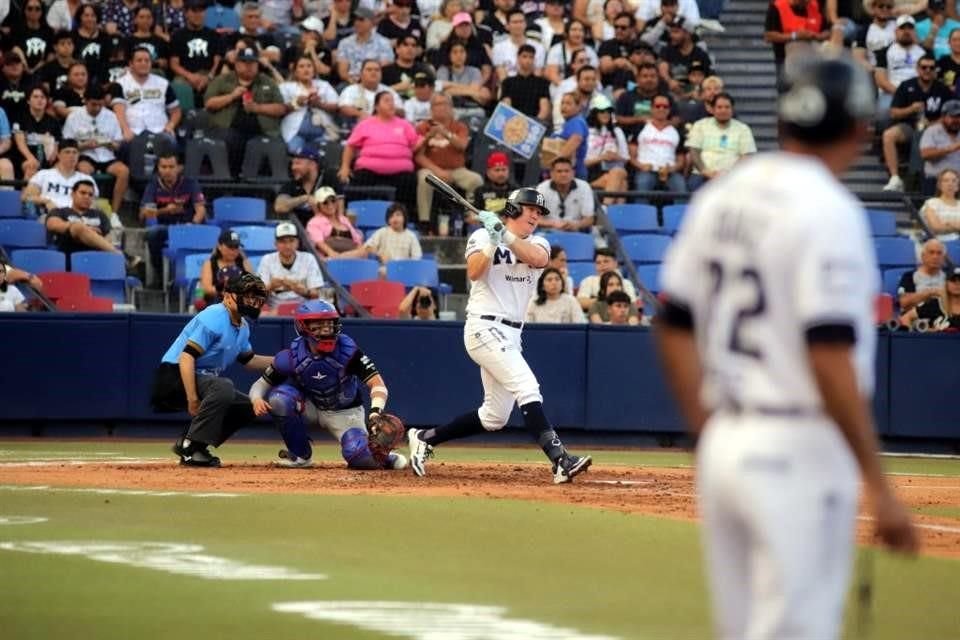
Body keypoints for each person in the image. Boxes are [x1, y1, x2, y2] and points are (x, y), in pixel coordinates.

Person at [655, 56, 917, 640]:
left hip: (726, 439)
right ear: (860, 129)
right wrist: (879, 484)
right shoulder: (830, 211)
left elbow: (672, 321)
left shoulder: (725, 194)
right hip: (798, 445)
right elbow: (826, 352)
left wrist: (707, 428)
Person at [406, 188, 594, 483]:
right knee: (527, 386)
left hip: (512, 333)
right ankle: (560, 460)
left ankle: (425, 437)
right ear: (514, 208)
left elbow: (537, 258)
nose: (535, 215)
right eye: (530, 208)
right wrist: (493, 240)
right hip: (483, 326)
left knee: (495, 416)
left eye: (539, 212)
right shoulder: (482, 237)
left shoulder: (539, 242)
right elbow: (474, 272)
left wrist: (504, 235)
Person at [249, 299, 407, 469]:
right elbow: (260, 385)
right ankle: (300, 456)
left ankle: (385, 457)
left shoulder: (349, 351)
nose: (326, 330)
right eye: (318, 325)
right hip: (311, 407)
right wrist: (256, 398)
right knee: (280, 399)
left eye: (329, 324)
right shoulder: (291, 357)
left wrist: (375, 411)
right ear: (303, 327)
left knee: (359, 458)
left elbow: (378, 384)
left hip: (345, 412)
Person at [152, 273, 272, 467]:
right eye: (246, 295)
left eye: (254, 296)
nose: (251, 300)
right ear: (227, 296)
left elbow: (249, 361)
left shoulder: (243, 326)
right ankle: (190, 446)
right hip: (174, 376)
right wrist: (192, 399)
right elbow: (186, 357)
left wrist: (287, 360)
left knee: (246, 406)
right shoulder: (215, 315)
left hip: (200, 378)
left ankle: (194, 444)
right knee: (224, 387)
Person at [204, 46, 286, 177]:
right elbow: (209, 104)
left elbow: (281, 108)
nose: (249, 66)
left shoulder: (268, 82)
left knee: (269, 144)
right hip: (227, 129)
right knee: (230, 140)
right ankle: (230, 180)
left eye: (252, 63)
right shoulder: (222, 80)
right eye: (244, 62)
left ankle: (259, 185)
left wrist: (256, 108)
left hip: (262, 131)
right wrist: (231, 96)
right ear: (236, 64)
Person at [338, 90, 421, 214]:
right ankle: (355, 216)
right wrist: (345, 167)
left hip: (400, 172)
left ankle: (406, 218)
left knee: (410, 181)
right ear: (376, 106)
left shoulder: (405, 125)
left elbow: (415, 145)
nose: (391, 104)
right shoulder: (365, 124)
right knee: (359, 179)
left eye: (392, 101)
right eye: (387, 101)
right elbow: (350, 146)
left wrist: (427, 138)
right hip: (369, 171)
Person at [882, 54, 953, 191]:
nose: (927, 70)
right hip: (908, 125)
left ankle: (920, 179)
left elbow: (950, 115)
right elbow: (894, 112)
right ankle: (895, 178)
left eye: (931, 68)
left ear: (935, 70)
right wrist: (911, 109)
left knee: (923, 133)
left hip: (936, 129)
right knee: (888, 135)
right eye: (924, 67)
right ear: (918, 69)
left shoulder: (942, 89)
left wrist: (933, 124)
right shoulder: (906, 85)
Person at [414, 94, 483, 228]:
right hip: (432, 170)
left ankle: (471, 218)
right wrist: (438, 171)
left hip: (457, 170)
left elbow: (462, 145)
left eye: (444, 104)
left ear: (451, 108)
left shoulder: (459, 126)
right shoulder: (423, 127)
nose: (441, 108)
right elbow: (418, 155)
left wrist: (445, 133)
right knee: (424, 178)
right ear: (431, 109)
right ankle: (425, 222)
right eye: (437, 105)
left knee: (476, 180)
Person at [140, 151, 207, 288]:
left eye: (171, 167)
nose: (167, 171)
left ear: (179, 168)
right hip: (166, 229)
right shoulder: (153, 185)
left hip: (188, 226)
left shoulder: (190, 183)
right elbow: (143, 213)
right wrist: (165, 210)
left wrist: (192, 224)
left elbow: (201, 209)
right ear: (158, 168)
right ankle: (160, 274)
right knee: (153, 233)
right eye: (163, 167)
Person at [44, 178, 140, 270]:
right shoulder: (60, 212)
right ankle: (121, 256)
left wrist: (90, 235)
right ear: (72, 194)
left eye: (90, 195)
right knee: (78, 227)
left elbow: (109, 238)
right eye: (83, 193)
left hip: (97, 259)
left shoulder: (100, 215)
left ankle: (119, 257)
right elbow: (52, 224)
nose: (87, 197)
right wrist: (84, 230)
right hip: (68, 256)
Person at [62, 85, 129, 216]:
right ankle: (88, 210)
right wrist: (84, 145)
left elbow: (118, 144)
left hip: (107, 155)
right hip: (86, 154)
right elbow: (67, 144)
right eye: (93, 105)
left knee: (124, 172)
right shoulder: (74, 116)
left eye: (100, 105)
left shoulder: (111, 116)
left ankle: (114, 213)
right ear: (85, 101)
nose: (97, 108)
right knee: (83, 169)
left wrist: (109, 143)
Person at [686, 92, 758, 191]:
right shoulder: (700, 125)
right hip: (702, 175)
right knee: (694, 185)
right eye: (719, 107)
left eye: (727, 107)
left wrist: (729, 174)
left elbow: (747, 155)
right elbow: (694, 151)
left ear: (732, 109)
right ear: (712, 109)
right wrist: (705, 171)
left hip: (732, 176)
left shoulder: (743, 129)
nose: (723, 110)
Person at [112, 46, 181, 145]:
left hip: (160, 131)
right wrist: (126, 130)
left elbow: (176, 111)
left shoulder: (163, 83)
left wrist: (170, 125)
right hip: (133, 133)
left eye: (147, 61)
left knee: (169, 145)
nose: (144, 63)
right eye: (139, 60)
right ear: (131, 64)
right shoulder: (120, 84)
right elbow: (119, 111)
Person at [629, 93, 687, 198]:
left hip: (669, 172)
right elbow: (631, 156)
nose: (661, 109)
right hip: (646, 170)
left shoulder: (677, 131)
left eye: (665, 107)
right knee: (643, 183)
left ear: (669, 110)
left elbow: (681, 160)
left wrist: (671, 169)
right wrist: (641, 166)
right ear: (651, 108)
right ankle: (642, 214)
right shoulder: (640, 128)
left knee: (680, 185)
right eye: (658, 106)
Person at [278, 54, 340, 154]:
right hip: (295, 133)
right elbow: (280, 109)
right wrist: (296, 103)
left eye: (309, 66)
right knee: (294, 151)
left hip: (323, 133)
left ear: (314, 70)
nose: (306, 69)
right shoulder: (286, 87)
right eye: (301, 66)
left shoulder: (324, 85)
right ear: (295, 71)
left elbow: (337, 107)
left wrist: (319, 104)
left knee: (324, 154)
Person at [257, 221, 325, 311]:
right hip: (275, 310)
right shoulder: (267, 260)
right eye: (283, 242)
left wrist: (303, 291)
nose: (288, 246)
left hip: (304, 309)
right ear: (275, 244)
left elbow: (317, 294)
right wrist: (271, 286)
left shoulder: (308, 258)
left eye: (291, 241)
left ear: (297, 242)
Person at [22, 138, 99, 216]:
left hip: (77, 218)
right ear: (58, 155)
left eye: (74, 152)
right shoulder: (44, 174)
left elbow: (93, 204)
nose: (71, 156)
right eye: (67, 152)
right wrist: (46, 201)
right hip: (49, 216)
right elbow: (26, 197)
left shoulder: (86, 179)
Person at [169, 0, 222, 108]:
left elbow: (217, 61)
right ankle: (185, 118)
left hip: (208, 74)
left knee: (221, 83)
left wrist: (209, 77)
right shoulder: (177, 35)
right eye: (194, 11)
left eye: (201, 11)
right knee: (179, 85)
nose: (198, 15)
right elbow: (174, 64)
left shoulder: (214, 35)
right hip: (185, 75)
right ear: (186, 13)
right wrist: (190, 76)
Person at [196, 230, 256, 310]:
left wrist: (244, 259)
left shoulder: (243, 263)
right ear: (220, 246)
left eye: (236, 247)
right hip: (215, 305)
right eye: (230, 247)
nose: (234, 251)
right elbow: (207, 288)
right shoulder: (210, 264)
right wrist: (225, 290)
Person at [584, 95, 629, 201]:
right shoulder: (586, 132)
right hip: (593, 172)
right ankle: (610, 211)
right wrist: (602, 158)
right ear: (595, 113)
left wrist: (616, 156)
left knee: (618, 174)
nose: (606, 114)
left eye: (608, 111)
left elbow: (626, 158)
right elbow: (582, 162)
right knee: (622, 183)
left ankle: (607, 209)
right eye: (602, 111)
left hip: (613, 169)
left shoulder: (617, 132)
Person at [12, 86, 61, 181]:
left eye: (43, 97)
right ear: (28, 101)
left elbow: (57, 143)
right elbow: (20, 143)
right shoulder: (20, 118)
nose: (40, 100)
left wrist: (54, 155)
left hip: (46, 157)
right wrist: (31, 158)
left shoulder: (53, 121)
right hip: (25, 156)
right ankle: (27, 195)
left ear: (47, 101)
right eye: (35, 97)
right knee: (31, 167)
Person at [536, 157, 597, 232]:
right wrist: (553, 224)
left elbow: (589, 219)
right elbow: (535, 218)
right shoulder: (542, 188)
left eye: (567, 171)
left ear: (573, 173)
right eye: (559, 171)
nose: (563, 174)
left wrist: (576, 225)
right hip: (548, 232)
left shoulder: (584, 186)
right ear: (551, 174)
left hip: (576, 232)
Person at [336, 7, 395, 83]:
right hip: (351, 82)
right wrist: (353, 81)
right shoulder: (344, 43)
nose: (357, 23)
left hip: (376, 82)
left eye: (361, 20)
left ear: (372, 22)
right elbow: (343, 72)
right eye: (355, 19)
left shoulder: (384, 43)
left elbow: (385, 68)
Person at [362, 202, 423, 273]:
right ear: (388, 220)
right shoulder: (382, 232)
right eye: (391, 216)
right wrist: (379, 254)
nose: (395, 218)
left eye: (398, 215)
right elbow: (367, 247)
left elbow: (417, 257)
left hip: (405, 270)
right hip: (385, 269)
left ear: (404, 217)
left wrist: (407, 266)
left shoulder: (411, 236)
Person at [306, 186, 365, 258]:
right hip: (329, 261)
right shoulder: (313, 223)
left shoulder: (344, 219)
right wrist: (333, 254)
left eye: (333, 200)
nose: (330, 205)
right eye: (325, 202)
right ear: (318, 205)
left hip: (352, 258)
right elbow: (319, 243)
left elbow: (358, 241)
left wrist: (358, 253)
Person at [498, 43, 551, 122]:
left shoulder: (542, 83)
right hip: (513, 123)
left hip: (535, 123)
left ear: (534, 60)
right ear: (518, 58)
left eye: (531, 57)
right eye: (524, 56)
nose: (528, 60)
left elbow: (544, 109)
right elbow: (506, 106)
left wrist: (533, 123)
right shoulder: (508, 82)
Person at [274, 147, 324, 227]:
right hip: (297, 234)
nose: (293, 168)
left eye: (298, 163)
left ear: (312, 165)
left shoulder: (327, 181)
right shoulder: (290, 185)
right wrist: (305, 198)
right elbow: (279, 207)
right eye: (292, 164)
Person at [918, 99, 960, 195]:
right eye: (952, 116)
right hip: (936, 182)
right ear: (943, 117)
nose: (956, 120)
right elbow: (925, 154)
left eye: (959, 117)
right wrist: (950, 148)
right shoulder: (932, 131)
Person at [899, 264, 960, 330]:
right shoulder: (935, 304)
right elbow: (905, 318)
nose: (957, 284)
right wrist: (913, 337)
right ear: (946, 283)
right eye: (953, 280)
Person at [897, 238, 947, 311]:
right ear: (923, 256)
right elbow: (903, 302)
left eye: (939, 253)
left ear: (943, 258)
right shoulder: (909, 276)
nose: (935, 257)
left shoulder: (950, 278)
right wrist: (929, 293)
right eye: (931, 252)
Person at [921, 169, 960, 239]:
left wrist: (949, 223)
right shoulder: (931, 203)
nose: (950, 184)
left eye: (954, 181)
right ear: (939, 185)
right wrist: (956, 226)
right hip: (937, 245)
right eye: (946, 180)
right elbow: (936, 228)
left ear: (958, 186)